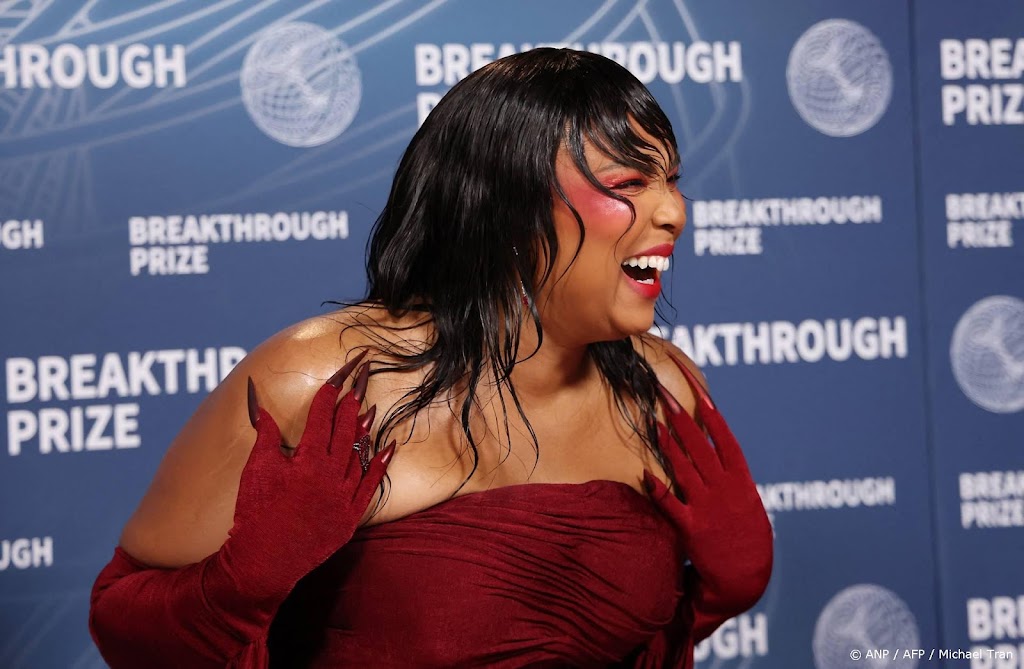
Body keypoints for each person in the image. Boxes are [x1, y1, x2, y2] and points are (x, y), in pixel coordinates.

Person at [88, 47, 773, 668]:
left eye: (671, 181)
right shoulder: (325, 385)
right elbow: (123, 622)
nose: (674, 212)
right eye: (628, 184)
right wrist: (237, 587)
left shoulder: (663, 389)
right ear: (507, 206)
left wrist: (714, 597)